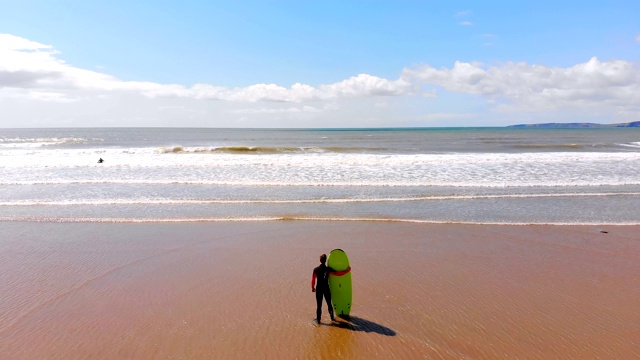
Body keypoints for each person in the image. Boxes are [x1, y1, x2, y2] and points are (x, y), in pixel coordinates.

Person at [311, 254, 350, 323]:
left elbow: (313, 279)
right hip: (326, 288)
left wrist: (312, 287)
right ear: (325, 261)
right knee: (329, 303)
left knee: (319, 305)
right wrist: (347, 271)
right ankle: (332, 318)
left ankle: (318, 320)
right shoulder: (328, 269)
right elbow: (338, 274)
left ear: (320, 260)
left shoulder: (316, 269)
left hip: (319, 289)